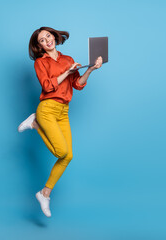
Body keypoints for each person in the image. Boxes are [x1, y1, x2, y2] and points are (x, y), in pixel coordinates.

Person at [18, 26, 102, 217]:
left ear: (54, 37)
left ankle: (45, 193)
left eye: (48, 36)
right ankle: (35, 122)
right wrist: (67, 72)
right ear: (39, 46)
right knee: (61, 151)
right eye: (42, 40)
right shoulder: (41, 62)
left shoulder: (68, 59)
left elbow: (77, 85)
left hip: (63, 111)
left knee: (67, 156)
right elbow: (48, 87)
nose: (47, 40)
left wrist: (90, 69)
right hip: (47, 109)